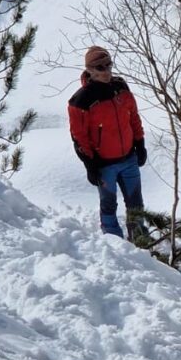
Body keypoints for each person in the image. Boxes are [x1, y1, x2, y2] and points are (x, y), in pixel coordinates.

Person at [68, 46, 148, 241]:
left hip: (129, 158)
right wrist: (90, 164)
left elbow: (133, 118)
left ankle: (140, 241)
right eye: (100, 67)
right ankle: (115, 244)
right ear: (90, 70)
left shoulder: (121, 87)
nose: (107, 71)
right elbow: (79, 136)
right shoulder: (80, 100)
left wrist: (140, 143)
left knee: (136, 203)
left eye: (109, 65)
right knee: (109, 205)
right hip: (104, 165)